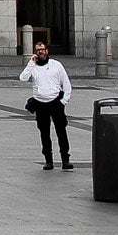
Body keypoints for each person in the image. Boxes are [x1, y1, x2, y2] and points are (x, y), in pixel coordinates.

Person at [19, 39, 73, 169]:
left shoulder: (56, 65)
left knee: (61, 131)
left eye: (42, 50)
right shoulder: (33, 67)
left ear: (47, 51)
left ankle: (65, 159)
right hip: (40, 103)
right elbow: (23, 78)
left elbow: (66, 84)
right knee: (44, 133)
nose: (40, 52)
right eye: (38, 50)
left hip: (55, 102)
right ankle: (48, 160)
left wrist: (63, 101)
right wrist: (31, 63)